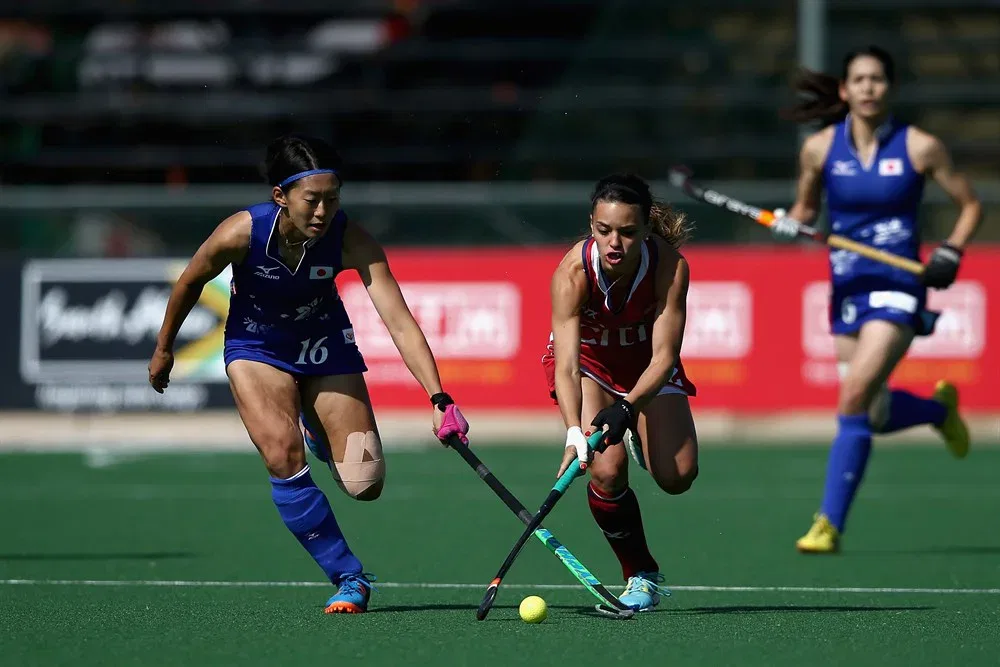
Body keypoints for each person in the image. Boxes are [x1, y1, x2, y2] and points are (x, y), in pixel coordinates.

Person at [148, 134, 470, 613]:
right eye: (312, 200)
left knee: (365, 484)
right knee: (282, 453)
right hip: (256, 346)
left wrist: (439, 397)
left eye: (332, 199)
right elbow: (191, 280)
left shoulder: (351, 238)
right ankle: (348, 576)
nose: (323, 212)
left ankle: (316, 429)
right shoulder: (241, 232)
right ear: (281, 196)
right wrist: (164, 347)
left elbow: (399, 321)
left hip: (324, 344)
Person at [772, 46, 981, 553]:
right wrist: (789, 222)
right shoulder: (819, 149)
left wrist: (951, 250)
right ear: (844, 90)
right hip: (848, 288)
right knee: (876, 413)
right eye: (859, 79)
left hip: (899, 286)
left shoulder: (920, 146)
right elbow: (805, 210)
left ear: (890, 88)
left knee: (852, 398)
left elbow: (970, 205)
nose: (868, 87)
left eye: (878, 79)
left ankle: (828, 524)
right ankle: (937, 412)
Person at [541, 173, 698, 612]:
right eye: (603, 230)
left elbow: (664, 356)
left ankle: (640, 433)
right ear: (591, 224)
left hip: (646, 367)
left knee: (678, 476)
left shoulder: (669, 267)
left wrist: (627, 408)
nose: (614, 243)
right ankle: (640, 573)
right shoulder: (572, 273)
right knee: (606, 472)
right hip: (591, 367)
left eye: (628, 232)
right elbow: (567, 366)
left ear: (646, 229)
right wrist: (573, 431)